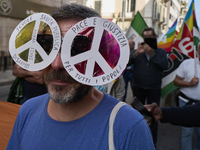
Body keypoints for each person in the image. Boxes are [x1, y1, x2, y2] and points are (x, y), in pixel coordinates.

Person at [6, 4, 155, 150]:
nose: (57, 63)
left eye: (77, 50)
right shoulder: (27, 111)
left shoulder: (129, 127)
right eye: (48, 46)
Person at [127, 27, 168, 146]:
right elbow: (126, 63)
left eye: (150, 37)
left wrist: (152, 54)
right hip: (138, 87)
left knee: (153, 117)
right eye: (145, 37)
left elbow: (164, 65)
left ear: (154, 37)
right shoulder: (138, 50)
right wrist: (135, 54)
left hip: (153, 89)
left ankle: (151, 144)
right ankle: (138, 141)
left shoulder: (160, 52)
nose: (147, 39)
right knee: (138, 115)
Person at [171, 43, 200, 150]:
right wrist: (190, 83)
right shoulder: (187, 63)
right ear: (197, 50)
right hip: (186, 103)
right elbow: (176, 81)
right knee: (187, 133)